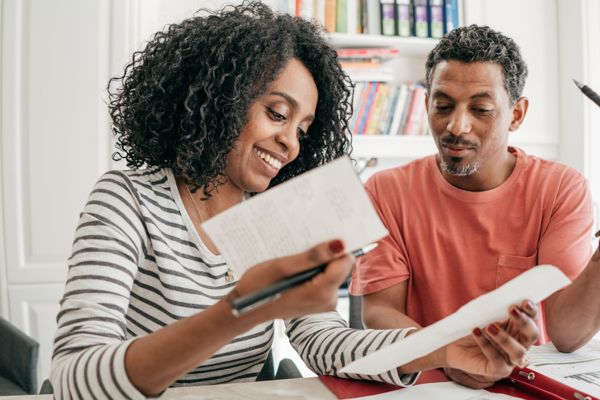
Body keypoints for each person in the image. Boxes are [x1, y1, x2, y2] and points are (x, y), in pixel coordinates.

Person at [50, 6, 538, 399]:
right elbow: (74, 375)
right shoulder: (127, 200)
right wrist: (242, 311)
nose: (291, 144)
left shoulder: (281, 217)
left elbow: (325, 343)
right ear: (219, 98)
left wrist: (440, 346)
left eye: (304, 129)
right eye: (277, 113)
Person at [350, 24, 600, 389]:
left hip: (525, 383)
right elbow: (379, 311)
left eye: (481, 109)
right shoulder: (385, 191)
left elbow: (567, 334)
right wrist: (448, 354)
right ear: (426, 104)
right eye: (443, 106)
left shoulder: (560, 188)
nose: (456, 126)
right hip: (426, 382)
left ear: (516, 114)